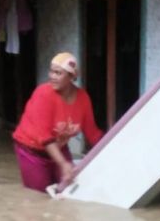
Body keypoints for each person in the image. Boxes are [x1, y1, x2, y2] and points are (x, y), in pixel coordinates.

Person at [12, 52, 104, 193]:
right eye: (51, 71)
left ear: (71, 77)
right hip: (31, 151)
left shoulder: (83, 98)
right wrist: (63, 163)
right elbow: (44, 136)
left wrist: (113, 148)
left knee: (68, 190)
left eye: (58, 73)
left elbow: (92, 133)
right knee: (39, 196)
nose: (52, 77)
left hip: (59, 149)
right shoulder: (43, 94)